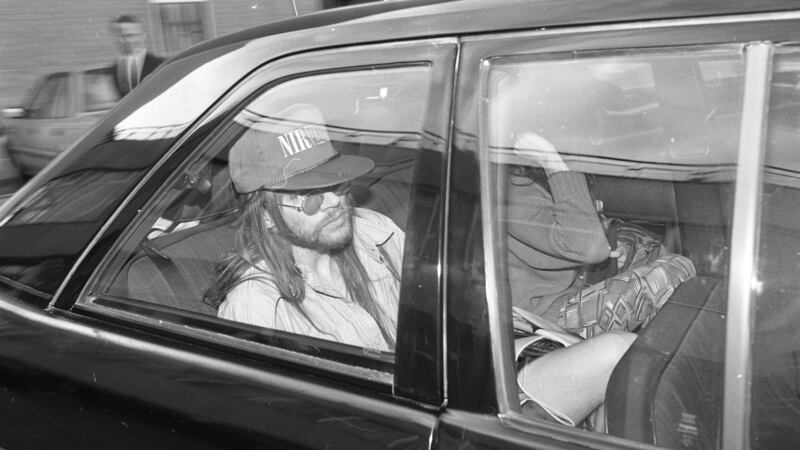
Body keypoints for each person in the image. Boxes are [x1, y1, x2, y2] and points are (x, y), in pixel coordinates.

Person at [204, 104, 403, 351]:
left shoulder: (377, 231)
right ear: (266, 214)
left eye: (337, 182)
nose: (334, 202)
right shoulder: (257, 309)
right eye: (308, 196)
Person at [506, 132, 696, 338]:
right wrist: (554, 163)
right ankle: (642, 354)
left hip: (570, 288)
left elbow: (583, 229)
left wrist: (610, 249)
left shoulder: (537, 182)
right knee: (675, 269)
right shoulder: (513, 189)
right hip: (543, 315)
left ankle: (639, 345)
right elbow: (587, 246)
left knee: (645, 245)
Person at [110, 15, 165, 96]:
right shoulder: (114, 70)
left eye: (130, 35)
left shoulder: (160, 65)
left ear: (143, 35)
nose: (125, 40)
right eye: (121, 36)